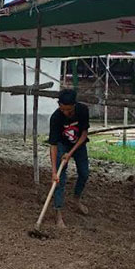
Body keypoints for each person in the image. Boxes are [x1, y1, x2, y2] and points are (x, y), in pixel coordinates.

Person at [48, 89, 90, 228]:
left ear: (74, 105)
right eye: (63, 109)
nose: (66, 113)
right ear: (59, 105)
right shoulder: (55, 118)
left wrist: (71, 152)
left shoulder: (83, 110)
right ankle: (58, 211)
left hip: (78, 145)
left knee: (84, 173)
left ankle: (76, 199)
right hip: (61, 145)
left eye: (69, 110)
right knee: (60, 179)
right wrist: (54, 171)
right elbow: (53, 145)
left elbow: (83, 134)